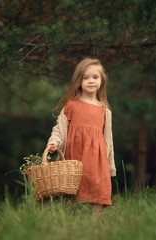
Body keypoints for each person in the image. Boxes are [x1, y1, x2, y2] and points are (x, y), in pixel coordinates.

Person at [47, 58, 116, 213]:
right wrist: (54, 142)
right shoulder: (71, 105)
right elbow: (60, 128)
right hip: (74, 157)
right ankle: (70, 224)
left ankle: (94, 225)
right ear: (78, 81)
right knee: (71, 190)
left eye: (95, 77)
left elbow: (108, 140)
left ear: (102, 81)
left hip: (96, 161)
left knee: (97, 190)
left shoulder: (105, 110)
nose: (90, 81)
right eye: (85, 78)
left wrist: (109, 166)